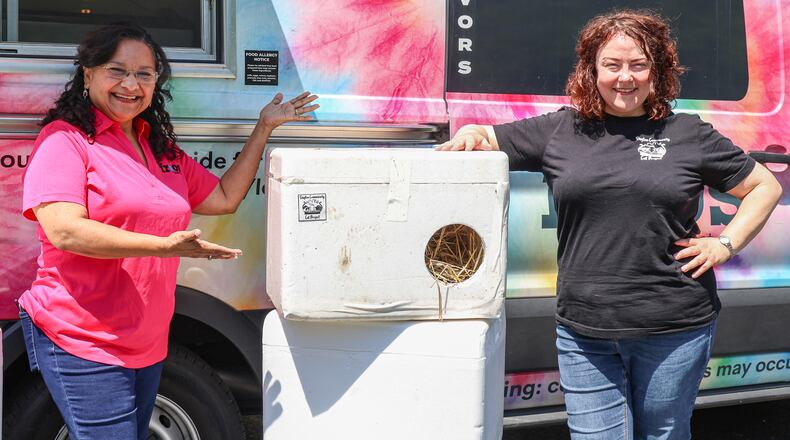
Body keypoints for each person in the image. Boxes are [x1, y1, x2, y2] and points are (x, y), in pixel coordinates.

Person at [437, 9, 782, 440]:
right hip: (585, 331)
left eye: (638, 65)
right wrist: (472, 134)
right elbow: (488, 136)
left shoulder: (688, 134)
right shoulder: (561, 130)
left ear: (656, 72)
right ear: (592, 70)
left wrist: (725, 245)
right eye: (612, 65)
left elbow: (763, 186)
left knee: (664, 433)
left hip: (675, 327)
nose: (625, 78)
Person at [16, 22, 318, 440]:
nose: (131, 84)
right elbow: (65, 231)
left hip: (148, 340)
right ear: (88, 73)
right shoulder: (65, 140)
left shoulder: (156, 146)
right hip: (83, 338)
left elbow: (225, 197)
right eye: (116, 70)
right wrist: (162, 247)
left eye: (144, 74)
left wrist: (264, 127)